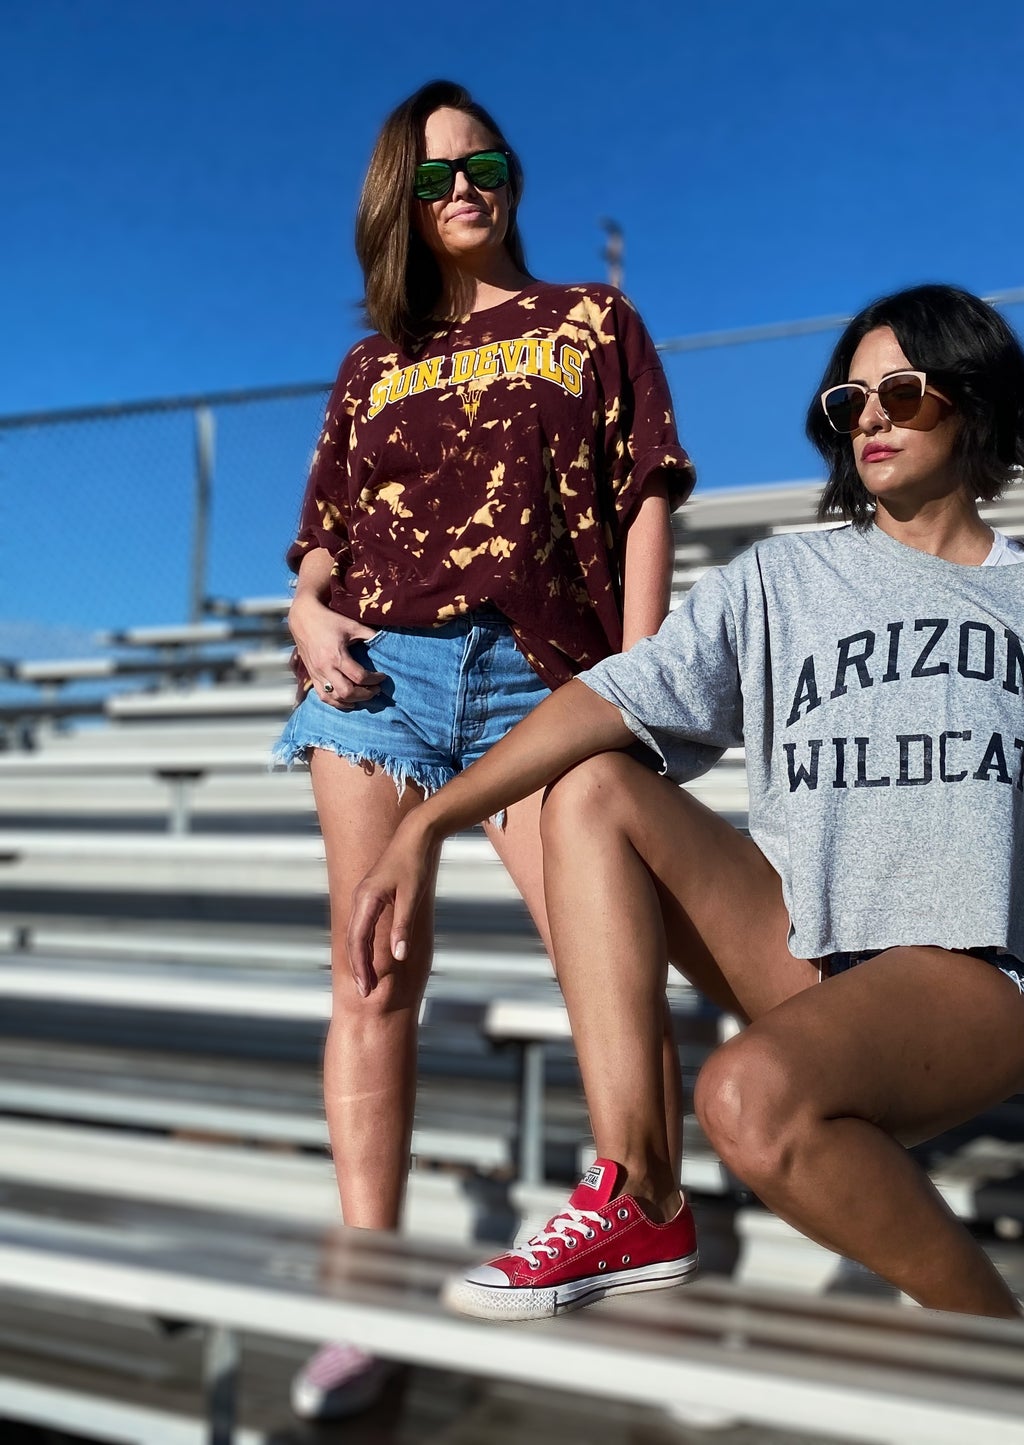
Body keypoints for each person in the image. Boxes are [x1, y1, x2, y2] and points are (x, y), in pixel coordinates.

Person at [345, 284, 1024, 1327]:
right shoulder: (781, 581)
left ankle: (1004, 1359)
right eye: (847, 402)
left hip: (974, 977)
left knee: (749, 1096)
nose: (869, 419)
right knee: (588, 784)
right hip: (808, 947)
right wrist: (426, 825)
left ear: (972, 400)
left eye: (901, 393)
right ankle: (639, 1193)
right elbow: (605, 695)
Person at [274, 79, 693, 1417]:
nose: (468, 187)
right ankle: (365, 1292)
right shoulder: (370, 364)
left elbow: (642, 497)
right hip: (380, 676)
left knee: (601, 961)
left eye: (488, 163)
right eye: (439, 173)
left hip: (539, 678)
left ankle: (641, 1235)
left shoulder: (592, 322)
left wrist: (633, 681)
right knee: (372, 969)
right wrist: (303, 604)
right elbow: (325, 529)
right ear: (399, 200)